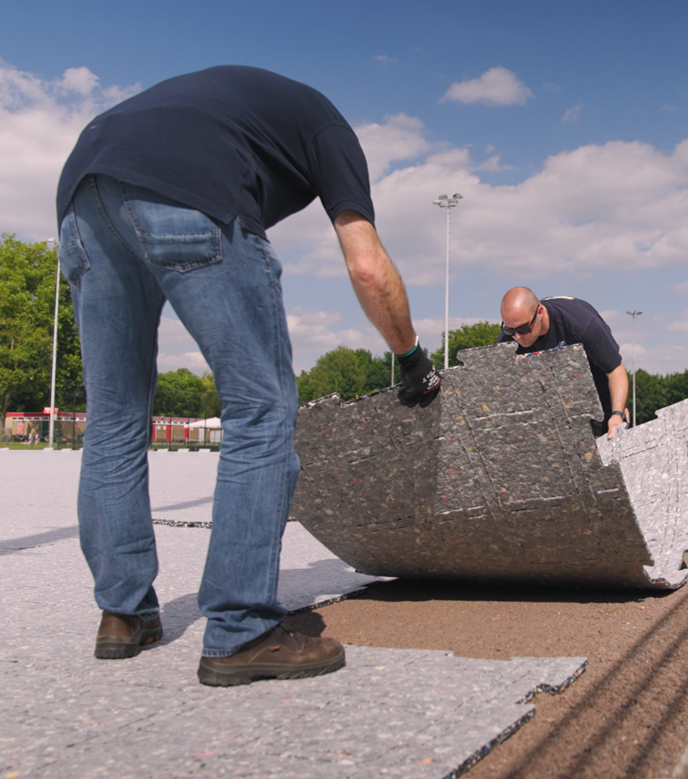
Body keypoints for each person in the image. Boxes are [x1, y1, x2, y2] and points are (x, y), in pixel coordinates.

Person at [54, 66, 441, 688]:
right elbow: (367, 264)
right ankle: (241, 630)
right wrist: (411, 357)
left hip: (83, 198)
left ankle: (124, 616)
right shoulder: (329, 126)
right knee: (259, 410)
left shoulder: (234, 102)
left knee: (114, 418)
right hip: (187, 188)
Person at [497, 288, 629, 439]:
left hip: (596, 388)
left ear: (540, 312)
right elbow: (501, 389)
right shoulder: (509, 339)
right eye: (510, 330)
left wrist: (617, 413)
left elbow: (615, 370)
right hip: (554, 397)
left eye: (524, 328)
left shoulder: (582, 324)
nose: (518, 337)